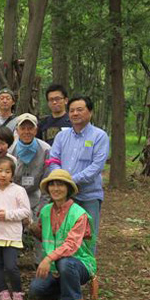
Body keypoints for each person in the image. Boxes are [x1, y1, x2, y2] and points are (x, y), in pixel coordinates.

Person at [48, 95, 109, 253]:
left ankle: (88, 273)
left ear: (90, 112)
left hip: (89, 195)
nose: (75, 113)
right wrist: (59, 180)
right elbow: (53, 160)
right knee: (64, 234)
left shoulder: (99, 136)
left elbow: (96, 166)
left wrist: (69, 182)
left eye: (80, 110)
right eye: (72, 110)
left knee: (88, 236)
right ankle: (64, 272)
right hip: (65, 196)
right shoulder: (62, 136)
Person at [29, 169, 97, 300]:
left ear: (68, 189)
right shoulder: (46, 210)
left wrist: (48, 259)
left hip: (78, 262)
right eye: (52, 185)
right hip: (55, 265)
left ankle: (73, 298)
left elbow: (71, 245)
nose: (55, 189)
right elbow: (45, 236)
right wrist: (30, 226)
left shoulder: (79, 214)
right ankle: (67, 287)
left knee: (65, 263)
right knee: (36, 290)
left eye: (60, 185)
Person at [0, 157, 31, 300]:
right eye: (0, 171)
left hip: (11, 234)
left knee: (11, 265)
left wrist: (7, 215)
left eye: (7, 171)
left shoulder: (19, 190)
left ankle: (17, 291)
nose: (3, 175)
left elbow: (25, 211)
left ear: (12, 174)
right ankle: (3, 291)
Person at [9, 114, 50, 217]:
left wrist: (43, 205)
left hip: (36, 197)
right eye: (23, 128)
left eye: (30, 128)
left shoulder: (46, 150)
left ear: (36, 131)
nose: (26, 132)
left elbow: (47, 179)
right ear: (17, 131)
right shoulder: (10, 150)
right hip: (13, 200)